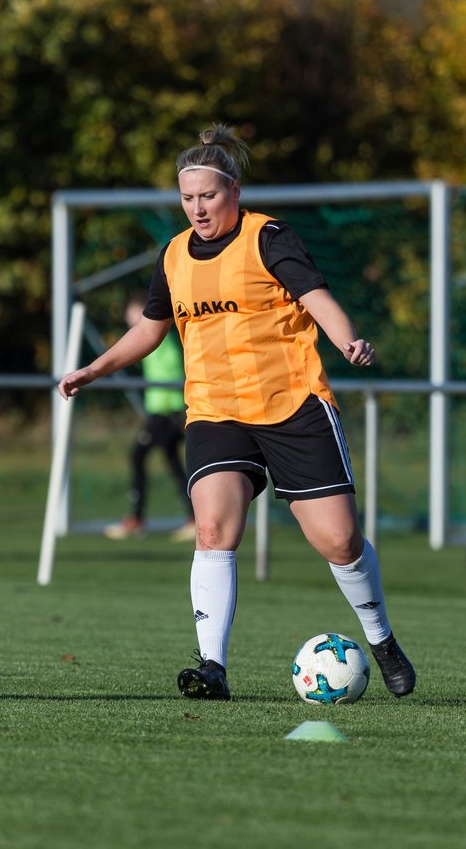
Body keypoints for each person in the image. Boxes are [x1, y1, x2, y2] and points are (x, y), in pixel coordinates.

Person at [58, 124, 416, 700]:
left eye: (209, 196)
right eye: (188, 198)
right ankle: (212, 667)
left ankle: (381, 639)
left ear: (234, 192)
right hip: (216, 412)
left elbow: (316, 299)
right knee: (212, 529)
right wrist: (92, 370)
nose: (197, 208)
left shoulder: (267, 238)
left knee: (339, 541)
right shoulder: (174, 254)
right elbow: (150, 329)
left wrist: (348, 339)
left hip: (291, 405)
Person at [103, 296, 197, 542]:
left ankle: (135, 519)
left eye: (134, 313)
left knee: (138, 455)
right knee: (173, 461)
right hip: (164, 409)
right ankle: (192, 518)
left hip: (167, 411)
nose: (130, 319)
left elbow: (174, 368)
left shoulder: (158, 336)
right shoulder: (148, 337)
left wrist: (172, 407)